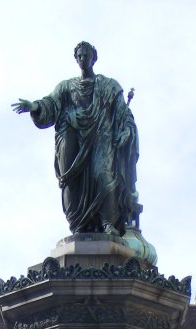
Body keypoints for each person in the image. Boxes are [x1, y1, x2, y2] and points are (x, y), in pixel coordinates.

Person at [12, 41, 139, 236]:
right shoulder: (65, 87)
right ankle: (78, 225)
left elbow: (124, 114)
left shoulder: (110, 86)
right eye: (79, 56)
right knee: (70, 182)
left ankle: (107, 222)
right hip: (72, 137)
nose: (82, 59)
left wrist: (126, 131)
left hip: (101, 139)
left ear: (93, 58)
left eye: (85, 55)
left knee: (103, 175)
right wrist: (35, 107)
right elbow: (50, 104)